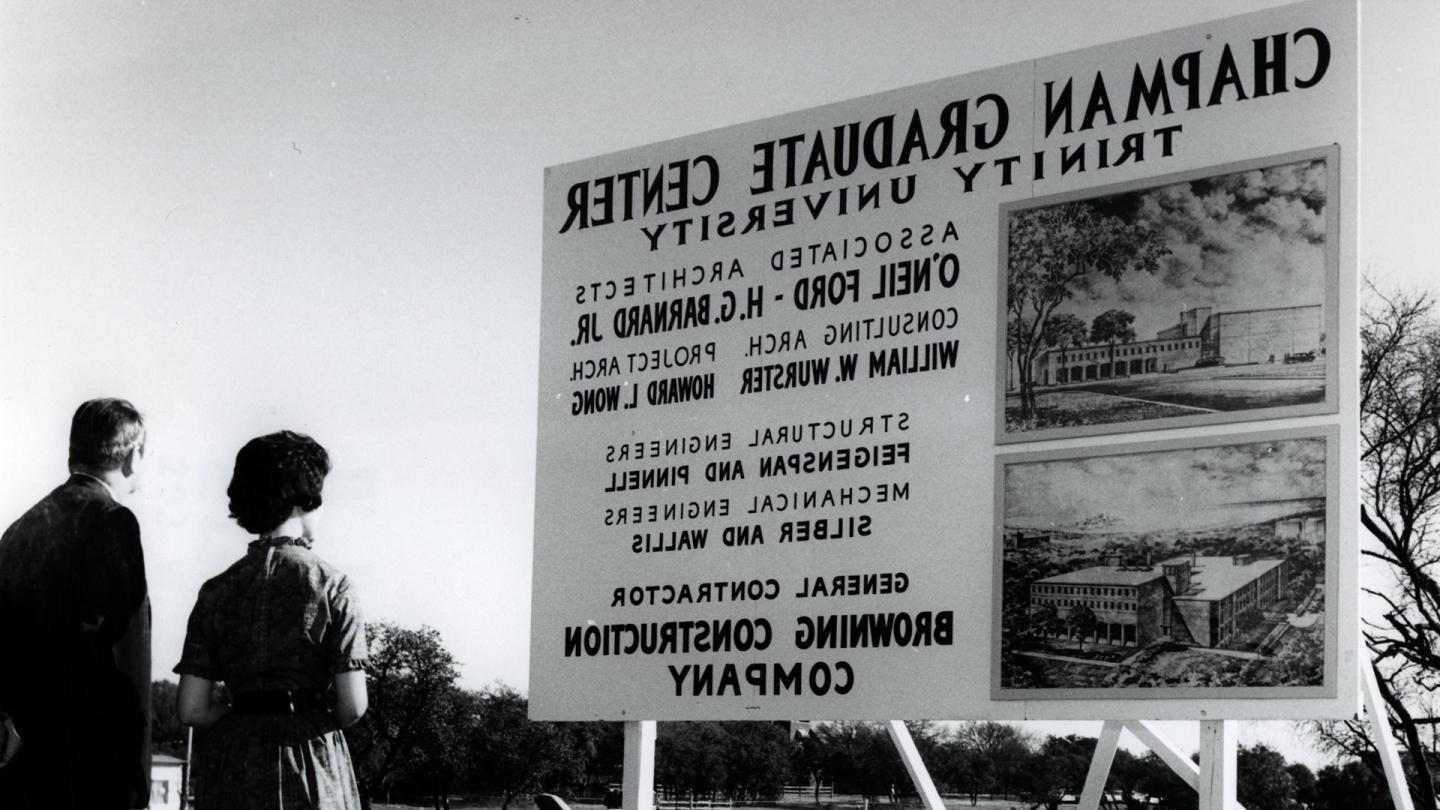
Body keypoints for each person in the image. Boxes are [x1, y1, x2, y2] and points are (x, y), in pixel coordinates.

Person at [175, 430, 367, 809]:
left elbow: (191, 709)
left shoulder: (215, 591)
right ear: (303, 500)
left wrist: (248, 719)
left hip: (234, 768)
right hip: (311, 763)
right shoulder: (333, 586)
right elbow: (353, 705)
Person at [0, 397, 152, 809]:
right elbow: (121, 645)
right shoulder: (114, 521)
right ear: (132, 456)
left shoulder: (19, 529)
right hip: (95, 750)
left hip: (26, 750)